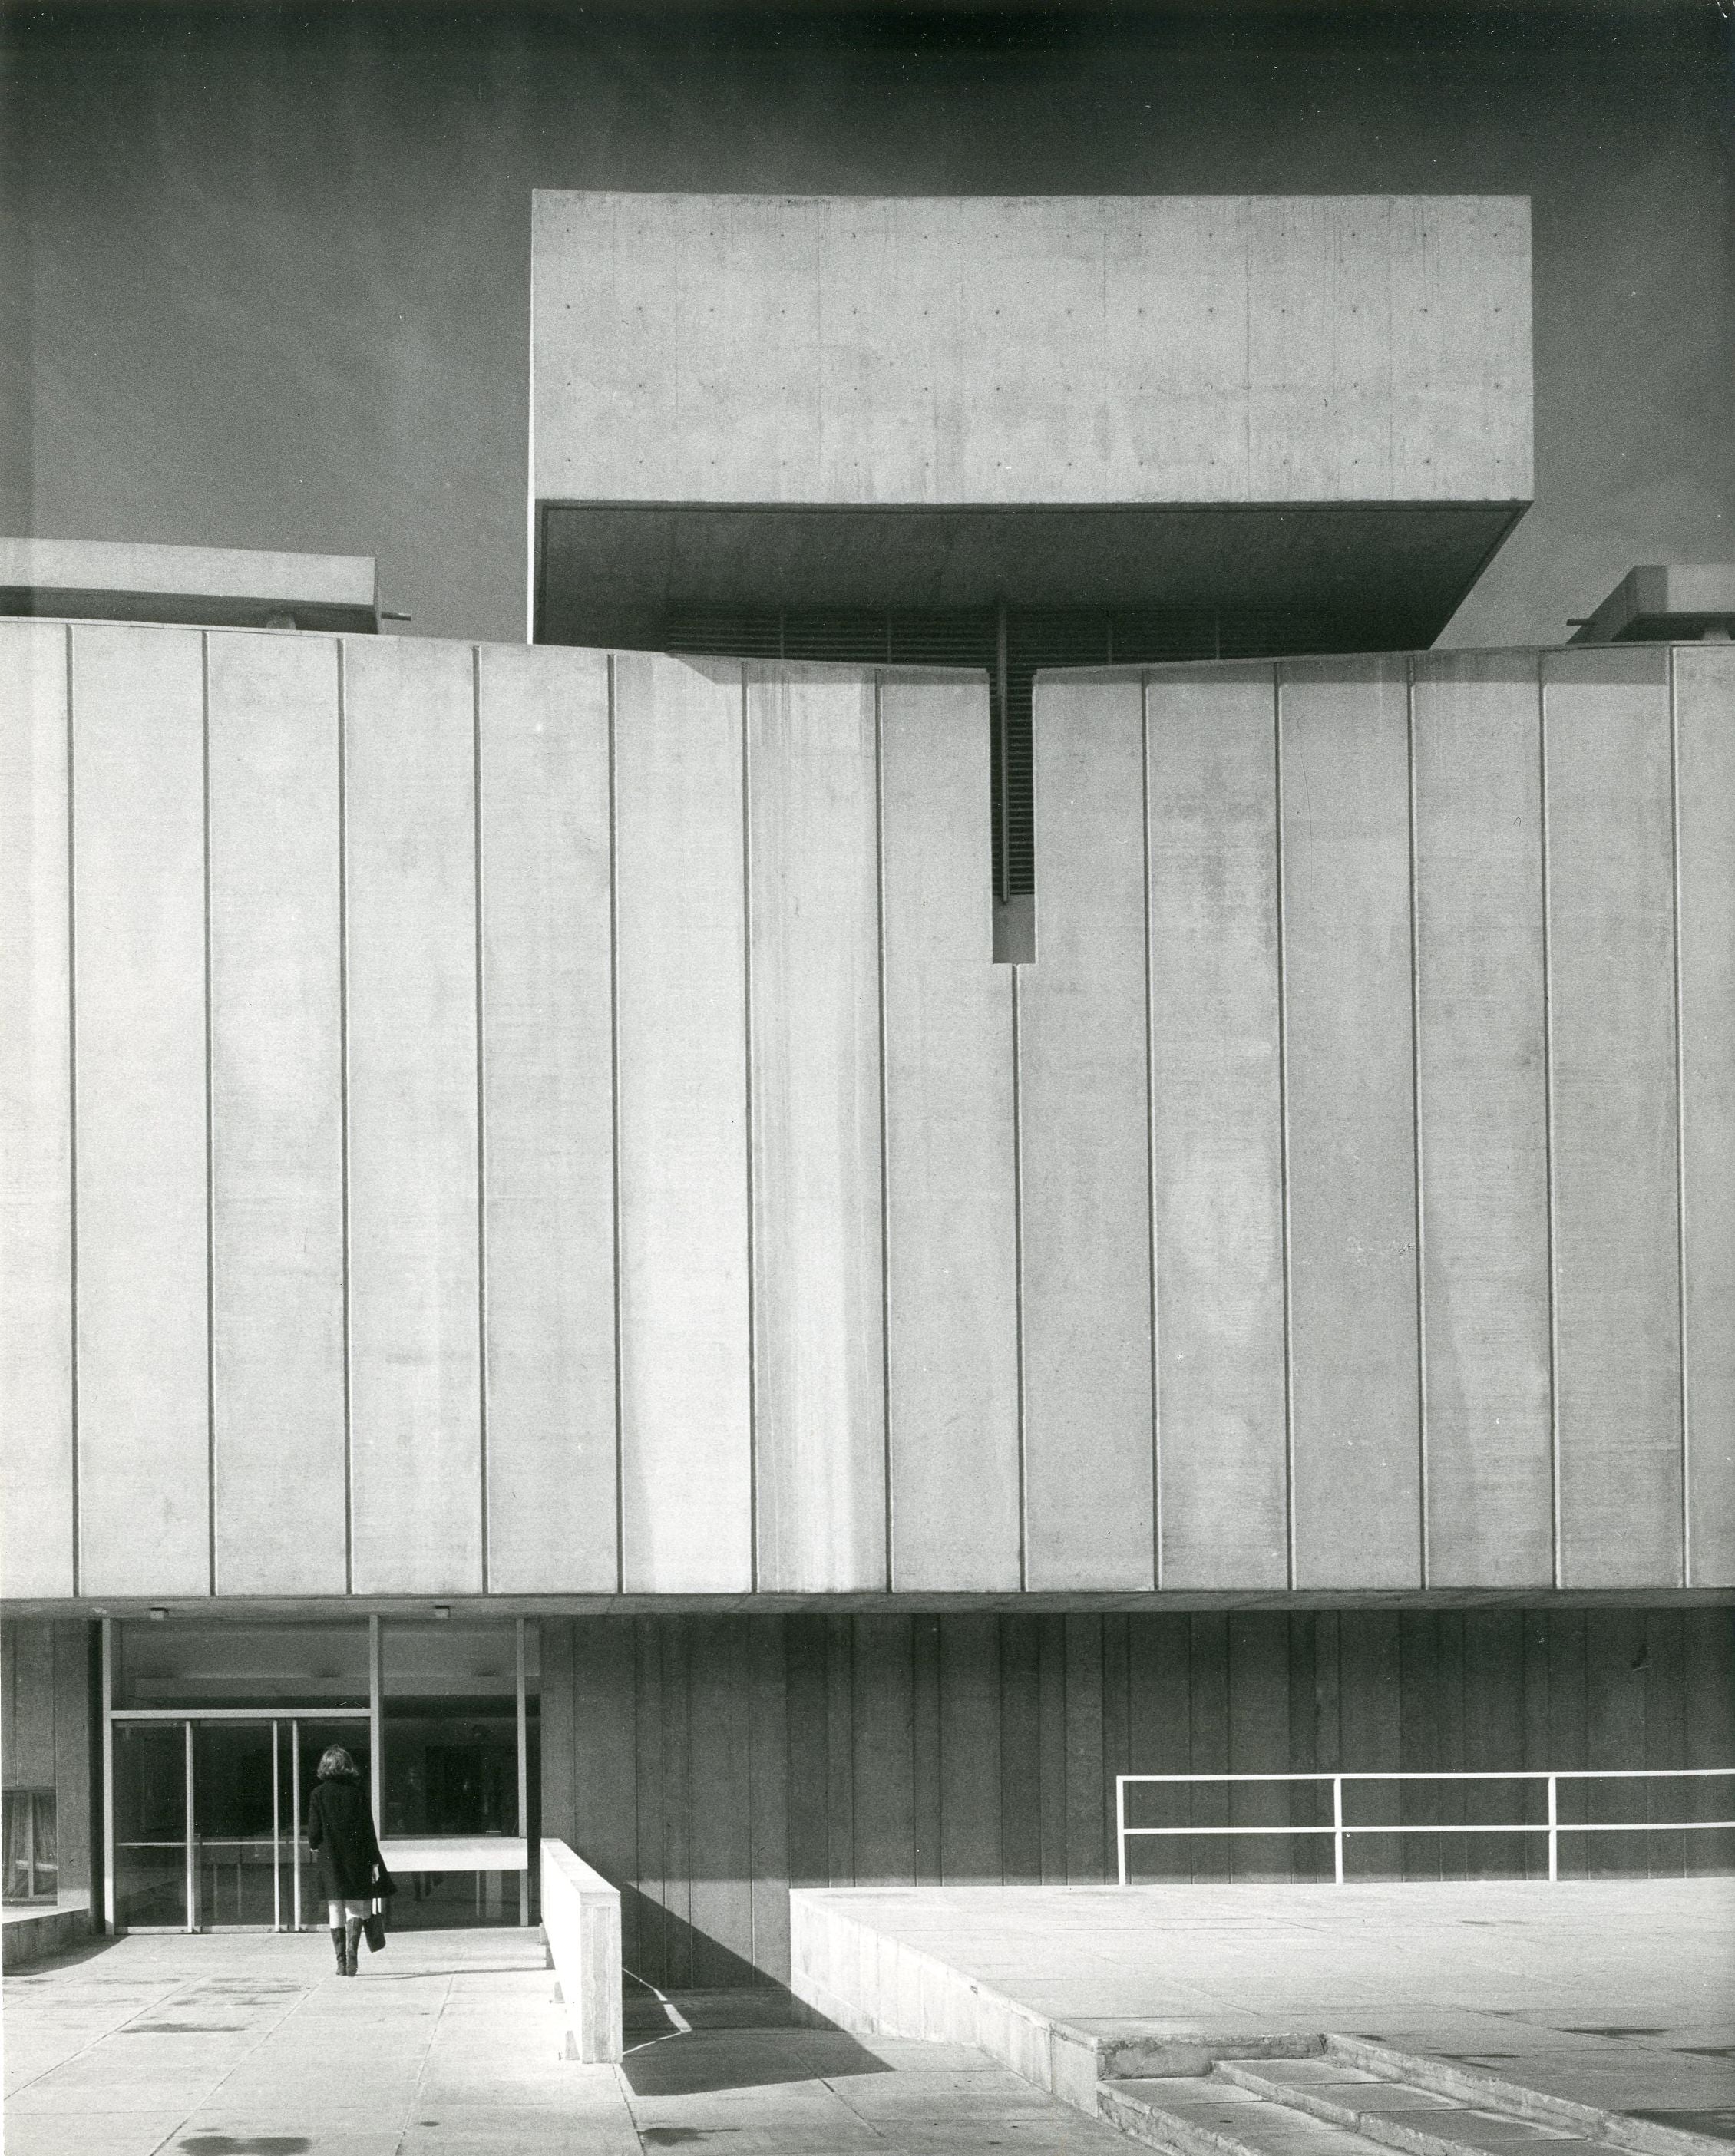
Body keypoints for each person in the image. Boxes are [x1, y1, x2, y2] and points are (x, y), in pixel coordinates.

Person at [306, 1745, 388, 1977]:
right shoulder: (357, 1792)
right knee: (355, 1907)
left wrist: (314, 1844)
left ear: (325, 1766)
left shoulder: (318, 1794)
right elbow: (368, 1830)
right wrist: (374, 1861)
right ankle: (353, 1951)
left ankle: (341, 1963)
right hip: (357, 1856)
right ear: (347, 1766)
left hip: (330, 1857)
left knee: (335, 1908)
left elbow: (314, 1830)